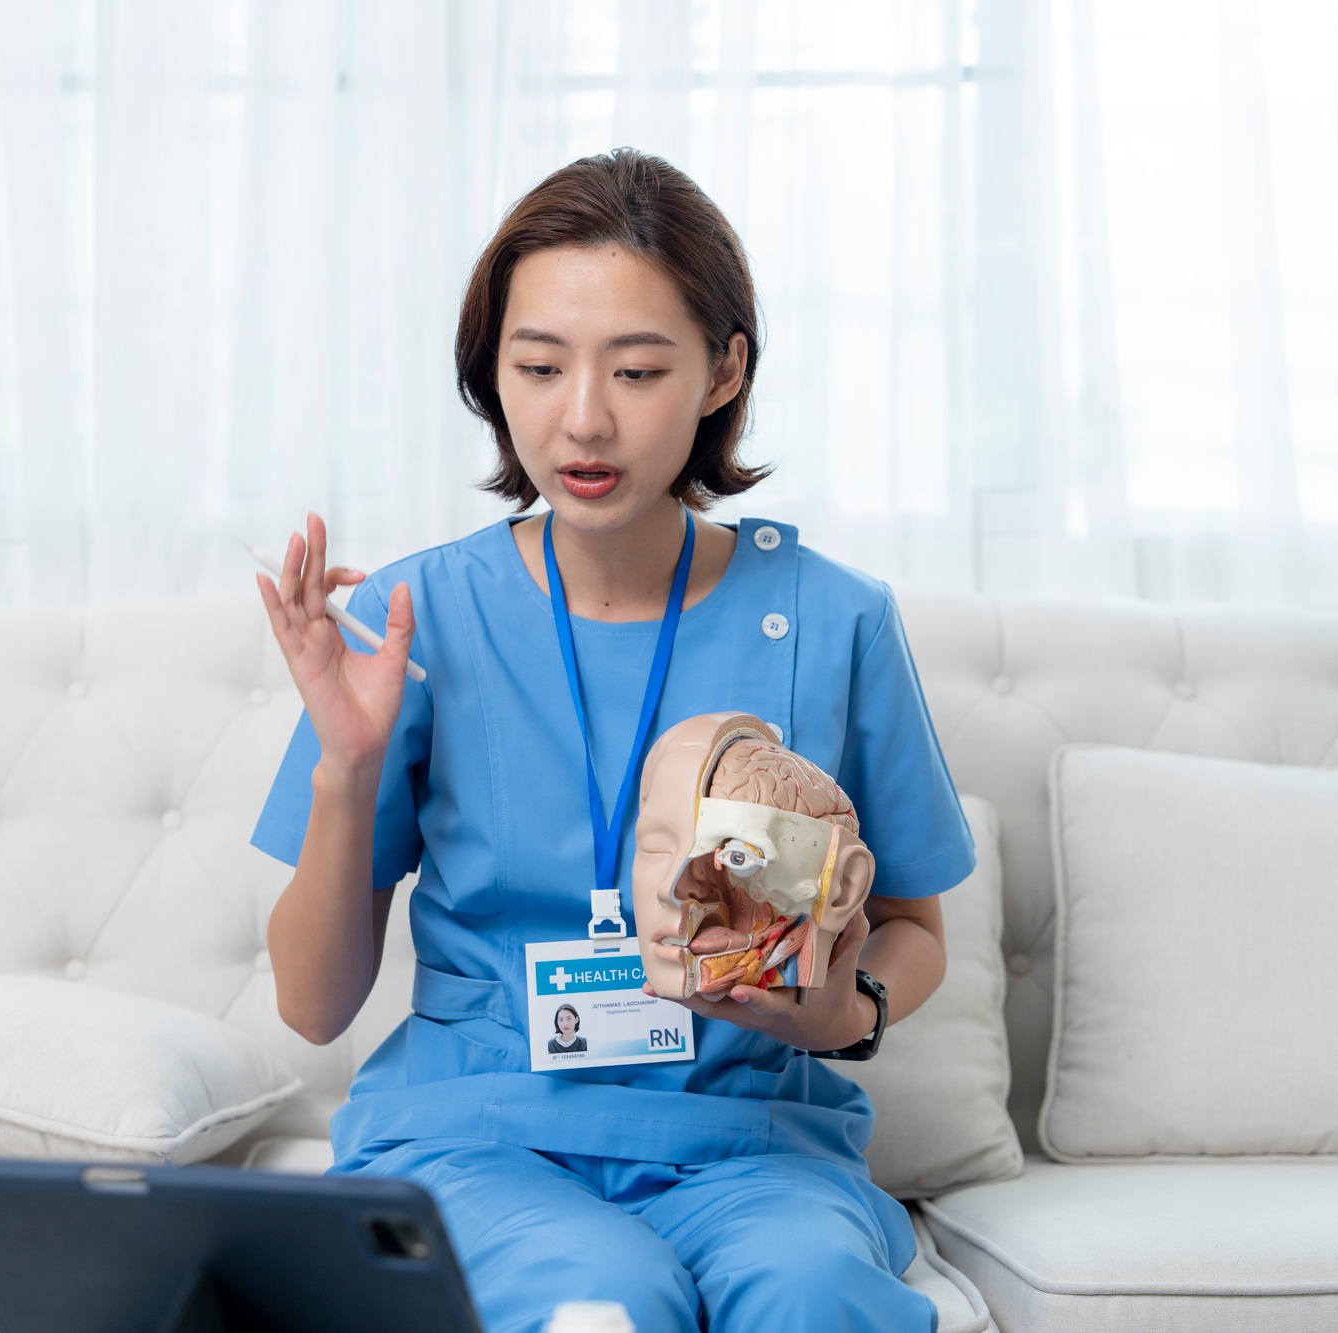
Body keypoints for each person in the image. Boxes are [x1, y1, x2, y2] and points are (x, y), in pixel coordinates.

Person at [250, 149, 972, 1333]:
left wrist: (848, 1013)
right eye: (537, 366)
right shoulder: (406, 623)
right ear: (493, 372)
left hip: (751, 1136)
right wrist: (347, 768)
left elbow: (912, 928)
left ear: (721, 370)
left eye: (636, 369)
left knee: (807, 1291)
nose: (581, 418)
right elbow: (312, 1006)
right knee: (601, 1298)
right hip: (476, 1132)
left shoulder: (838, 618)